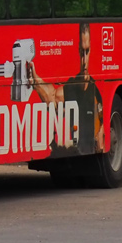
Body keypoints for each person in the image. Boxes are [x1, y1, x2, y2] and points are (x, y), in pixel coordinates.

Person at [24, 22, 105, 155]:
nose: (84, 60)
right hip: (77, 155)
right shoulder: (70, 89)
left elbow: (101, 132)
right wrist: (34, 80)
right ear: (78, 52)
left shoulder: (96, 92)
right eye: (82, 52)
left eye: (87, 51)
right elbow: (51, 96)